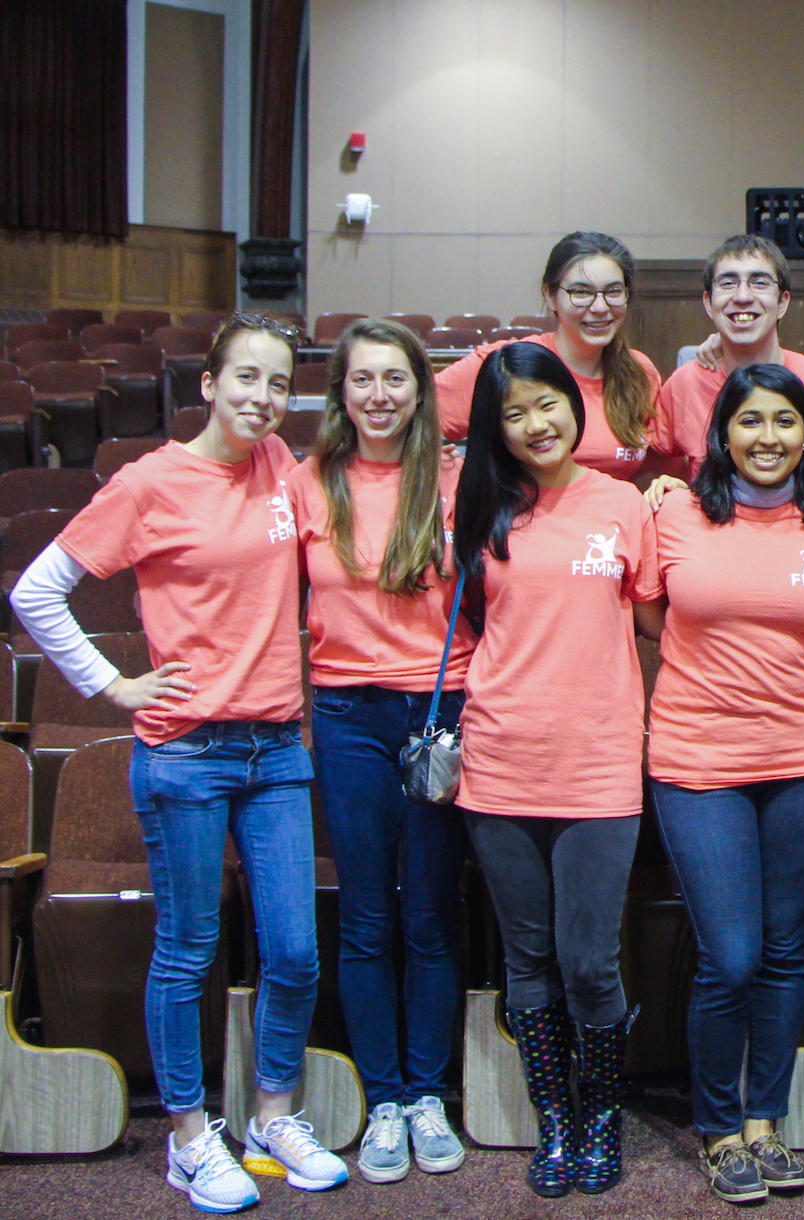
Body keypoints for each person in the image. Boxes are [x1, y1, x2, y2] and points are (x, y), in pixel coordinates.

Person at [9, 314, 348, 1211]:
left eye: (279, 385)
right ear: (210, 384)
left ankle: (273, 1116)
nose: (263, 399)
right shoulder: (149, 482)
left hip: (277, 748)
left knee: (295, 950)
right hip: (187, 752)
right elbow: (36, 590)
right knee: (188, 951)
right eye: (246, 380)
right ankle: (192, 1138)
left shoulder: (283, 468)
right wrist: (111, 685)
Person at [636, 363, 804, 1206]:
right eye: (750, 422)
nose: (768, 438)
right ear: (721, 434)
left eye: (785, 422)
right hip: (699, 759)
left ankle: (764, 1122)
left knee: (784, 948)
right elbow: (653, 615)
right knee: (731, 957)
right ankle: (717, 1125)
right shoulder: (677, 514)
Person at [451, 341, 661, 1199]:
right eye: (514, 412)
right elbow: (463, 626)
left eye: (548, 404)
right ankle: (557, 1122)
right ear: (496, 428)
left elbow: (657, 623)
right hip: (499, 759)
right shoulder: (478, 508)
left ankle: (602, 1112)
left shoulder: (622, 505)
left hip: (600, 761)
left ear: (576, 407)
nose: (536, 424)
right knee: (526, 958)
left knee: (588, 961)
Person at [284, 318, 472, 1184]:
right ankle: (386, 1100)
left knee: (431, 912)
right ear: (340, 392)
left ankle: (431, 1094)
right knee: (365, 914)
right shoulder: (305, 483)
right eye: (363, 380)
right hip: (349, 717)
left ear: (420, 390)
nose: (380, 396)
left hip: (438, 715)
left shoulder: (459, 481)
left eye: (395, 379)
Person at [434, 231, 665, 481]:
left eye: (613, 291)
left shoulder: (640, 372)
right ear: (550, 296)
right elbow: (410, 414)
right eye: (580, 292)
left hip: (609, 517)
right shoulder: (507, 364)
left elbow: (664, 462)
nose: (600, 307)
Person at [651, 235, 804, 487]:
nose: (743, 296)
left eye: (759, 282)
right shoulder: (684, 385)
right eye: (728, 283)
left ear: (782, 302)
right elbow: (651, 460)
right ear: (708, 302)